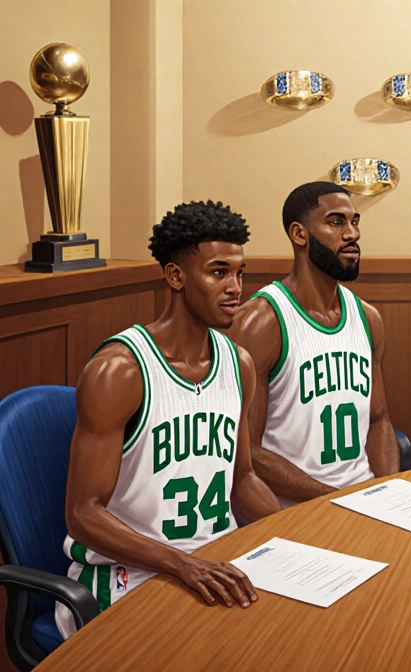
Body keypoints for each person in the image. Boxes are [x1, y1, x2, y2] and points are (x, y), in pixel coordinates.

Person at [58, 201, 281, 639]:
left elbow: (242, 480)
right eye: (219, 273)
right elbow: (82, 515)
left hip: (215, 566)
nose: (235, 287)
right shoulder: (120, 371)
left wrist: (295, 532)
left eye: (240, 272)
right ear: (176, 276)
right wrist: (182, 564)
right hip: (129, 580)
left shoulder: (238, 364)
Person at [231, 182, 399, 507]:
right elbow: (245, 451)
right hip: (295, 511)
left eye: (355, 221)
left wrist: (387, 492)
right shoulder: (261, 323)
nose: (352, 234)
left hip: (363, 500)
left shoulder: (368, 318)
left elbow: (379, 420)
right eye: (336, 222)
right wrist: (340, 501)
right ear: (299, 234)